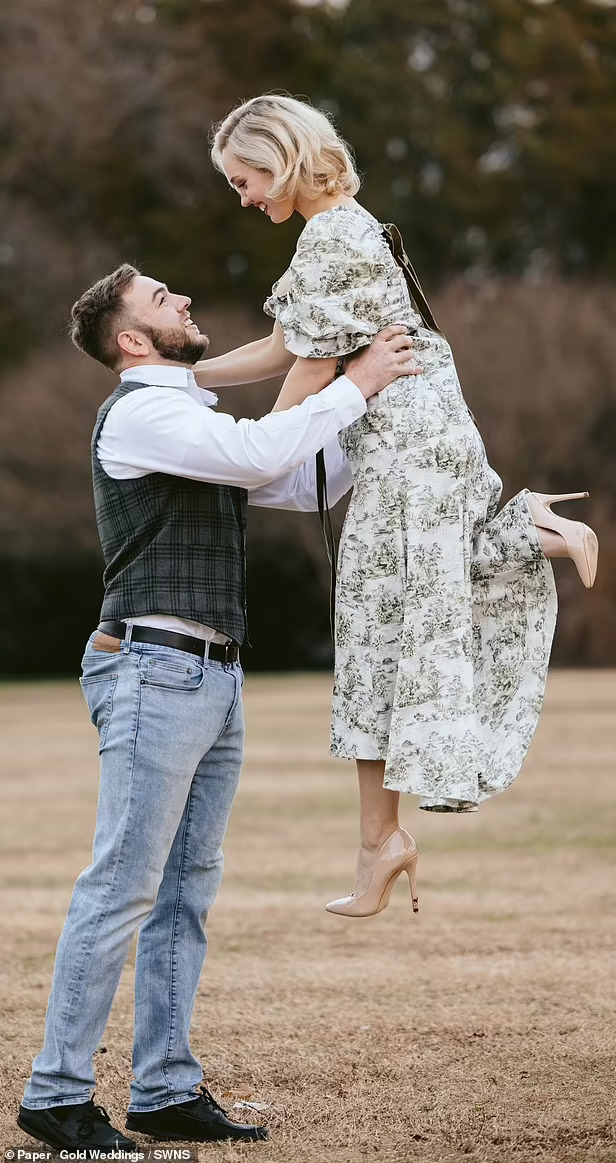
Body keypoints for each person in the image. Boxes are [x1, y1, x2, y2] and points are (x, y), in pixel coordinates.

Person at [17, 263, 418, 1152]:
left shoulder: (193, 421)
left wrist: (385, 406)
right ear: (131, 339)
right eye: (163, 300)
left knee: (185, 891)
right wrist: (352, 380)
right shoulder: (142, 411)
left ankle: (163, 1089)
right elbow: (263, 452)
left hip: (210, 674)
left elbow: (298, 479)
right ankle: (55, 1094)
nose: (186, 301)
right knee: (123, 885)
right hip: (155, 669)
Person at [204, 93, 599, 919]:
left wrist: (256, 449)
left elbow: (309, 369)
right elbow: (286, 343)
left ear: (281, 159)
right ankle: (531, 529)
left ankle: (379, 842)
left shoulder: (330, 237)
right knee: (396, 619)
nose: (241, 199)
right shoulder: (347, 228)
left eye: (244, 180)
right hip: (430, 441)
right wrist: (185, 376)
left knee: (377, 631)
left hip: (406, 454)